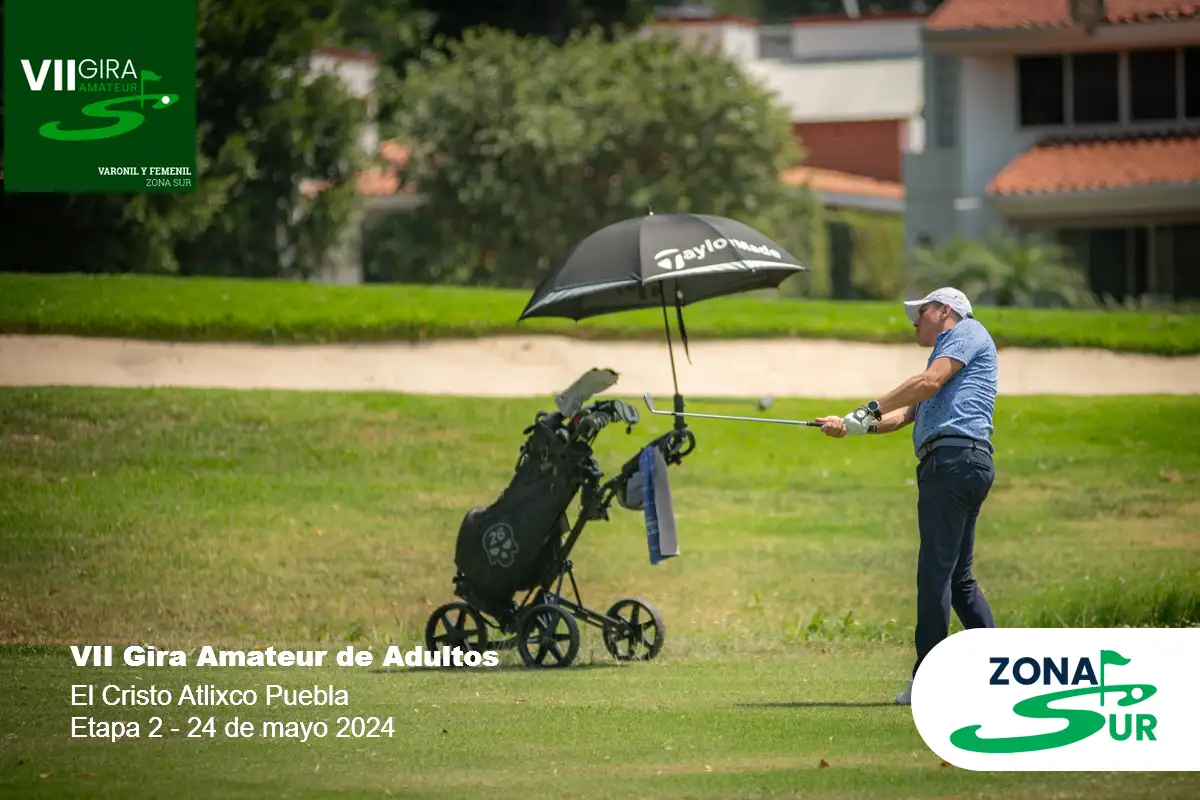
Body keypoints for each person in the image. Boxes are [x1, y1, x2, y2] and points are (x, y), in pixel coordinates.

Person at [815, 287, 998, 706]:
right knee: (958, 580)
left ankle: (929, 682)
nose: (914, 320)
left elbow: (926, 383)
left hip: (952, 462)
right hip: (961, 463)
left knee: (935, 575)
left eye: (922, 311)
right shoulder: (945, 359)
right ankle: (1005, 672)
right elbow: (902, 416)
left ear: (946, 311)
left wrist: (869, 407)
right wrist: (853, 425)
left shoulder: (967, 333)